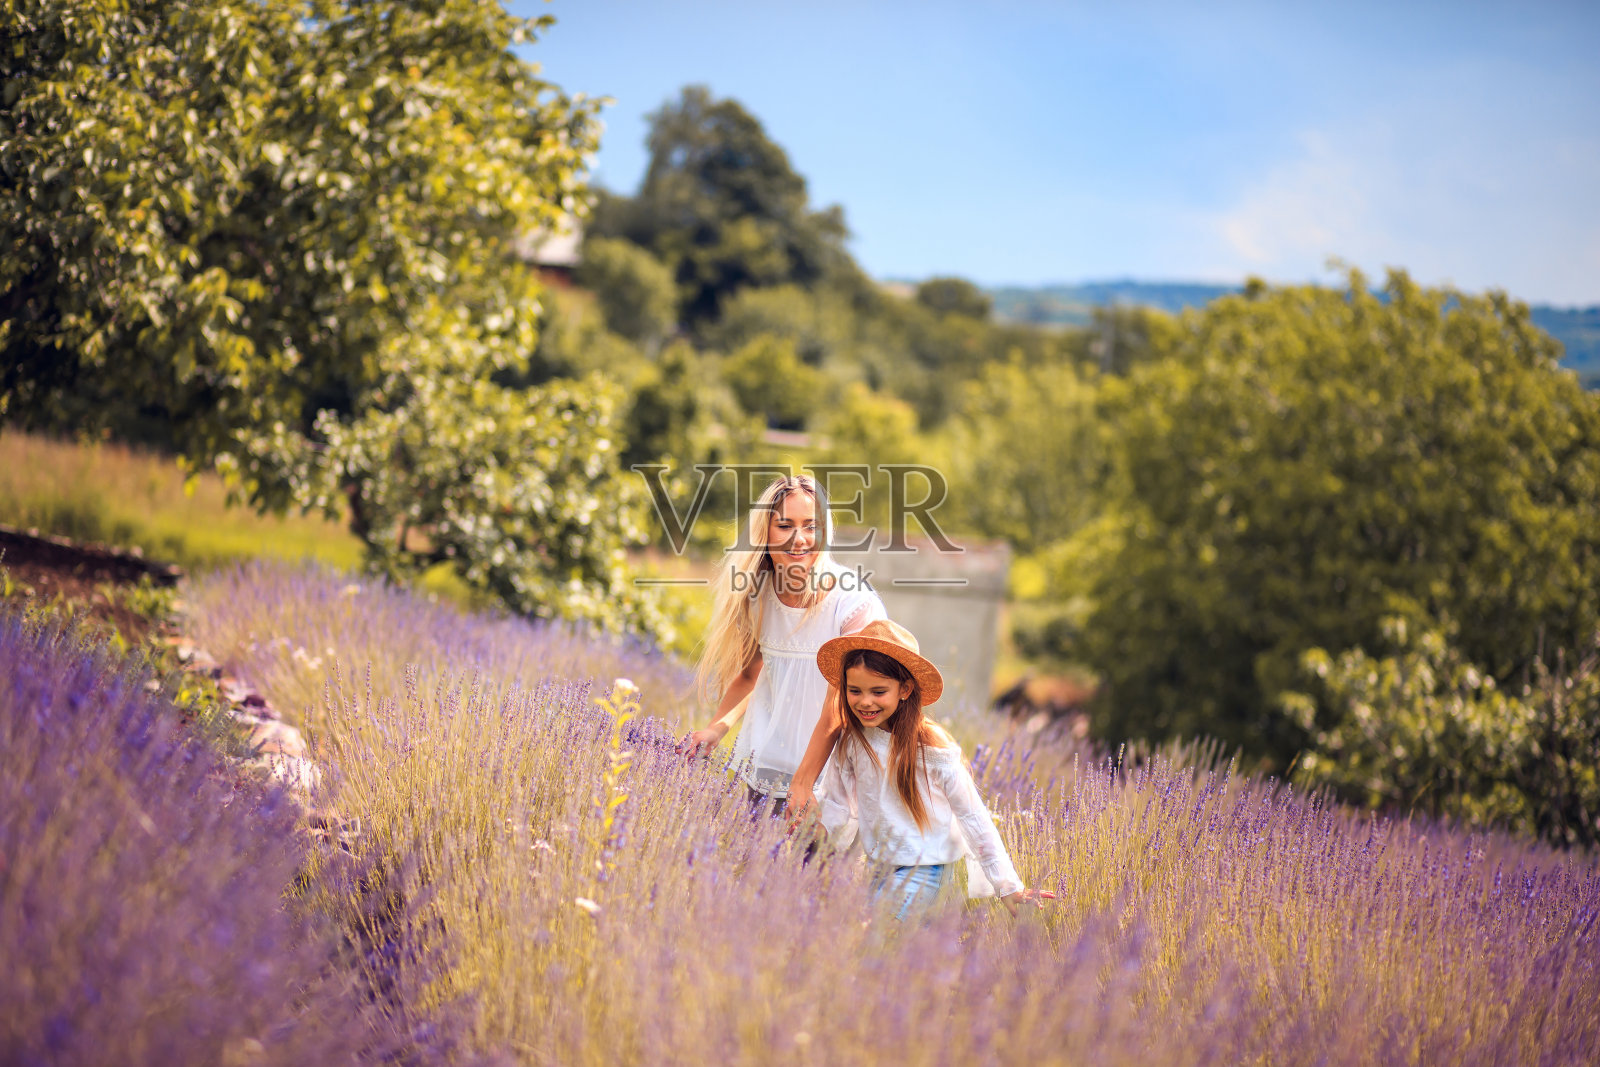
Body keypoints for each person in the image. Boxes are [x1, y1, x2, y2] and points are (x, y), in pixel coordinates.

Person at [813, 619, 1051, 919]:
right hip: (878, 867)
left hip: (926, 869)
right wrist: (815, 836)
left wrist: (1008, 885)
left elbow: (972, 816)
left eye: (878, 691)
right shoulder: (853, 740)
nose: (865, 701)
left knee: (879, 929)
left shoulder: (931, 748)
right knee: (892, 943)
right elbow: (838, 803)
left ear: (904, 689)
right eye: (855, 691)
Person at [679, 474, 885, 814]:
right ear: (765, 532)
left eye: (810, 526)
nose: (799, 539)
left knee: (820, 851)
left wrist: (804, 781)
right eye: (785, 525)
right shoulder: (758, 595)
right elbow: (751, 675)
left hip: (834, 778)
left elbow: (839, 703)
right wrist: (716, 729)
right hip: (767, 768)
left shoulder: (853, 605)